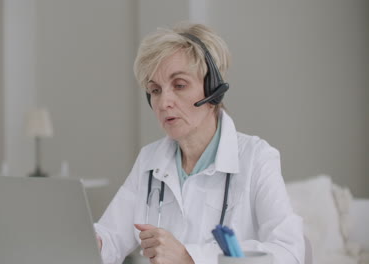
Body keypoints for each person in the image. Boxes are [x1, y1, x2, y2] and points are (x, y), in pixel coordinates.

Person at [94, 22, 304, 264]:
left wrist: (189, 257)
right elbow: (110, 238)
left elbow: (290, 252)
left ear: (213, 89)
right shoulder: (149, 160)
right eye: (155, 90)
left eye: (179, 85)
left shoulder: (256, 157)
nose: (163, 103)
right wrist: (91, 241)